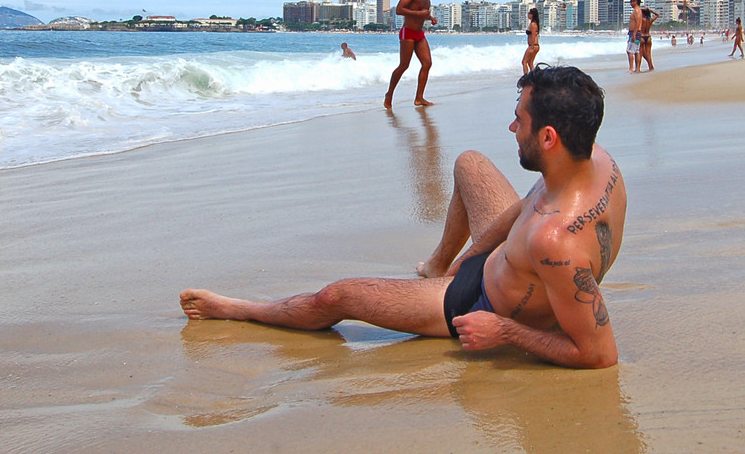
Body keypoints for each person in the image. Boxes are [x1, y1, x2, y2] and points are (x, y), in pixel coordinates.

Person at [180, 65, 626, 370]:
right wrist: (467, 257)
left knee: (335, 297)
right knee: (470, 162)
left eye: (519, 121)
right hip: (496, 266)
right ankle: (435, 266)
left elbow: (598, 353)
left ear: (548, 137)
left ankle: (240, 309)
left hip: (477, 306)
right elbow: (522, 208)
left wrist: (504, 331)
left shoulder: (557, 243)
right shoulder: (592, 157)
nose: (512, 128)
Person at [385, 0, 438, 108]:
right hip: (407, 33)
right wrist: (419, 13)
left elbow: (423, 13)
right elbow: (399, 10)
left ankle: (419, 98)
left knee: (427, 63)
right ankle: (389, 94)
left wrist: (430, 18)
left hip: (419, 33)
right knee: (404, 65)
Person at [626, 0, 642, 73]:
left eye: (631, 1)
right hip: (635, 33)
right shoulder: (637, 10)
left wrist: (634, 34)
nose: (630, 3)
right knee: (636, 51)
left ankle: (631, 68)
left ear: (636, 1)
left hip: (635, 33)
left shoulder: (637, 11)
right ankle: (637, 68)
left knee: (630, 51)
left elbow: (638, 22)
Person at [521, 8, 540, 75]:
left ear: (532, 15)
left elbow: (533, 36)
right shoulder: (533, 24)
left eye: (529, 13)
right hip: (535, 45)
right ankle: (535, 77)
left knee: (524, 62)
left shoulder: (533, 25)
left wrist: (531, 47)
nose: (528, 15)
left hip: (533, 45)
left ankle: (526, 77)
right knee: (530, 63)